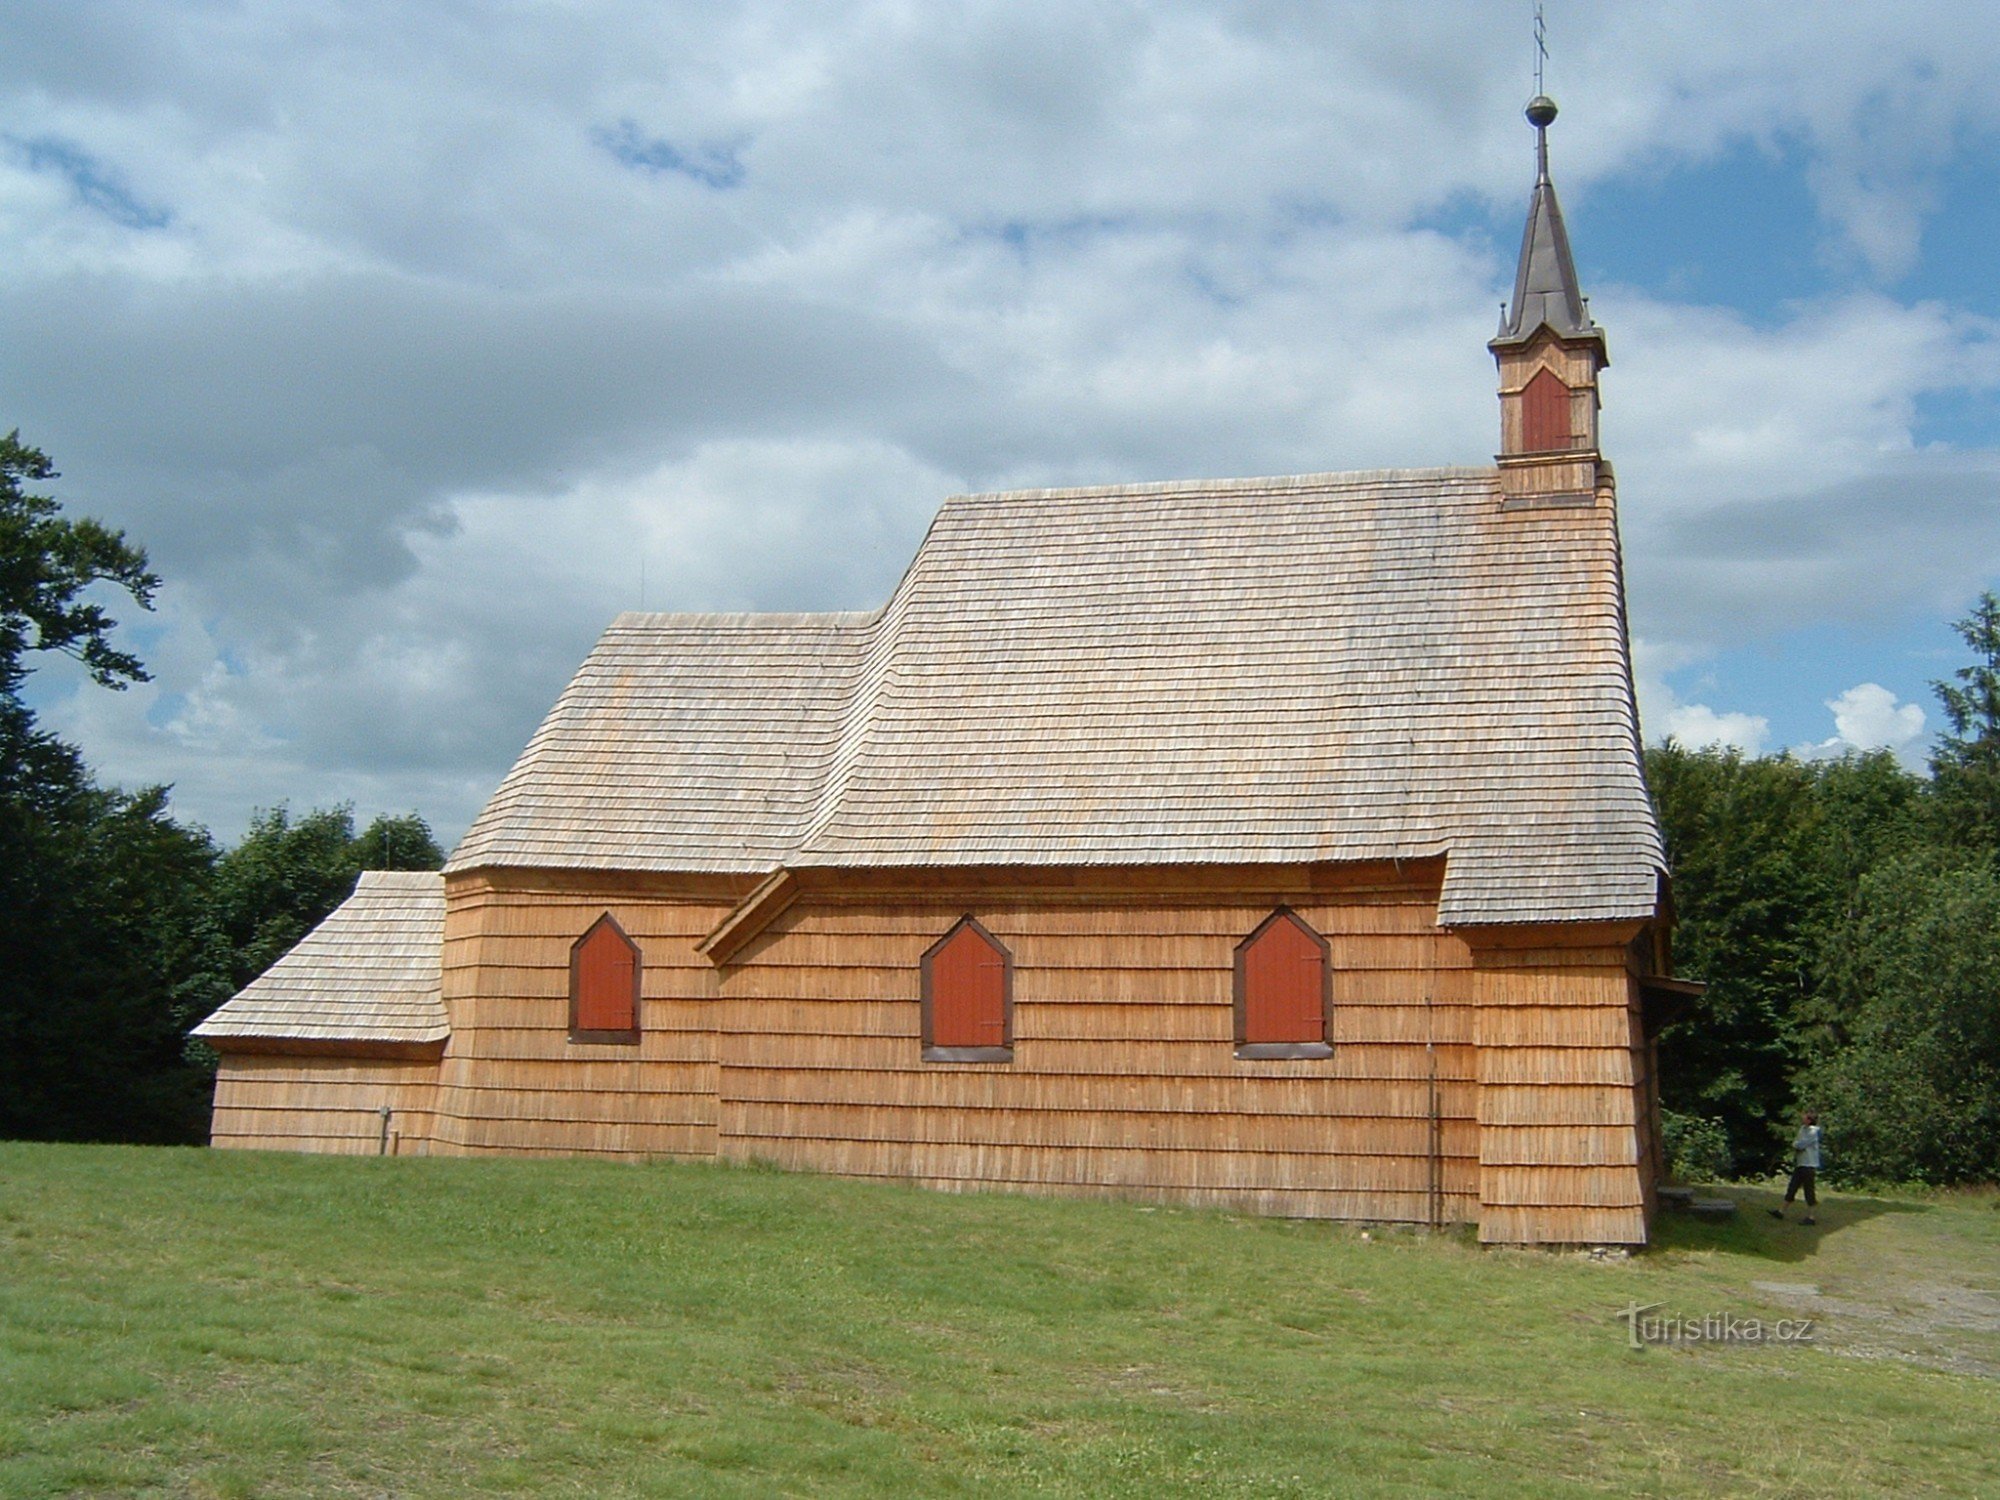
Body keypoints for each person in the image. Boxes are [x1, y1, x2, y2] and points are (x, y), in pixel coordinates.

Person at [1768, 1111, 1821, 1224]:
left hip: (1809, 1165)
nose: (1802, 1118)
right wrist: (1797, 1144)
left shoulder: (1813, 1132)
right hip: (1800, 1164)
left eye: (1805, 1117)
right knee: (1792, 1188)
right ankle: (1781, 1211)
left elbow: (1800, 1144)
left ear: (1810, 1120)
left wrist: (1797, 1144)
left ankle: (1811, 1217)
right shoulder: (1802, 1129)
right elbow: (1796, 1142)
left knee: (1809, 1191)